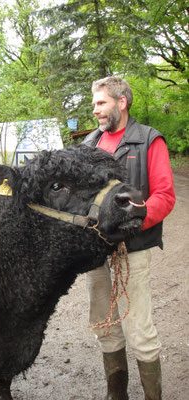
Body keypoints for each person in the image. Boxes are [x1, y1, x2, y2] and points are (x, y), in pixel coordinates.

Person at [82, 77, 176, 400]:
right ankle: (116, 394)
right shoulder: (90, 145)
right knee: (104, 324)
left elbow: (165, 196)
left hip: (133, 247)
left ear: (122, 102)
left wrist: (132, 220)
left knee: (138, 328)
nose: (95, 110)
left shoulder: (149, 140)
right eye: (94, 104)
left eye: (101, 103)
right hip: (96, 252)